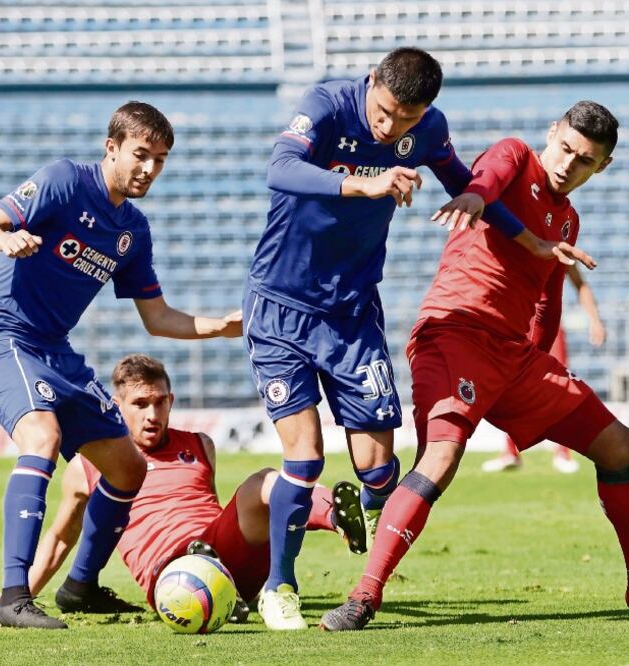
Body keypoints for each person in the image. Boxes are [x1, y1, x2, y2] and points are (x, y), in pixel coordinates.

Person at [321, 101, 629, 631]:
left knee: (618, 444)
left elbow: (546, 302)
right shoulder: (512, 156)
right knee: (440, 459)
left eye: (584, 161)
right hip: (454, 335)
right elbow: (487, 179)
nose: (567, 164)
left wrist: (539, 356)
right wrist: (473, 194)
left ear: (602, 168)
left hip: (514, 357)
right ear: (551, 133)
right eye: (565, 149)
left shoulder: (568, 220)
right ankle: (363, 597)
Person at [244, 47, 577, 629]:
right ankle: (280, 586)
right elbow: (280, 169)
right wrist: (367, 185)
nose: (391, 127)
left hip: (351, 313)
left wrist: (532, 243)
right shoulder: (326, 105)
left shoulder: (427, 129)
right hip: (281, 305)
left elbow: (469, 189)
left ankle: (352, 515)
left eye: (407, 120)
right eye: (385, 112)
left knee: (378, 469)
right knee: (304, 457)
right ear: (371, 82)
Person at [0, 102, 243, 629]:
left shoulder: (132, 230)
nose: (149, 169)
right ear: (110, 147)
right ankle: (13, 597)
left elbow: (157, 318)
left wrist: (218, 326)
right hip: (2, 335)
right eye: (141, 155)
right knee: (41, 439)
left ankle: (80, 587)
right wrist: (7, 238)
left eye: (160, 160)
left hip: (55, 350)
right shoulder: (64, 181)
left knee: (127, 467)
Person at [0, 354, 367, 624]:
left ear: (171, 401)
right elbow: (61, 536)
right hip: (168, 575)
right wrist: (17, 592)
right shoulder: (89, 462)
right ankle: (220, 591)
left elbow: (217, 508)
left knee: (263, 482)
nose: (152, 414)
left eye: (159, 402)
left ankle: (339, 517)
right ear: (117, 406)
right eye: (140, 404)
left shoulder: (199, 445)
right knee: (189, 564)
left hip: (220, 547)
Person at [482, 263, 606, 474]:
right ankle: (511, 452)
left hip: (550, 327)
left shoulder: (558, 247)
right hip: (518, 326)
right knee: (511, 386)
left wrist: (595, 320)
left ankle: (563, 452)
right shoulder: (520, 242)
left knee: (558, 384)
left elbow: (580, 284)